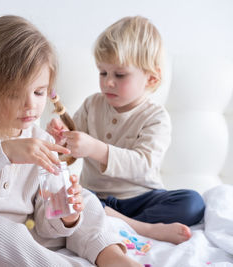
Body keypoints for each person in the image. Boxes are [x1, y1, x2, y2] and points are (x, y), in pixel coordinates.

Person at [0, 15, 142, 267]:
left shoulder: (40, 140)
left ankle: (110, 255)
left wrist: (66, 215)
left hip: (21, 237)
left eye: (39, 92)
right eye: (13, 94)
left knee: (84, 200)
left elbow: (46, 226)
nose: (31, 105)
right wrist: (2, 152)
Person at [47, 16, 205, 245]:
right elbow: (68, 153)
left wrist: (95, 148)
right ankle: (145, 229)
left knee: (193, 202)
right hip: (95, 198)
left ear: (151, 78)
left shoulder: (155, 117)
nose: (108, 82)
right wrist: (61, 138)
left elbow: (144, 164)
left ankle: (119, 224)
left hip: (142, 198)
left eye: (119, 75)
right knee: (69, 199)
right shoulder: (92, 105)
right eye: (103, 73)